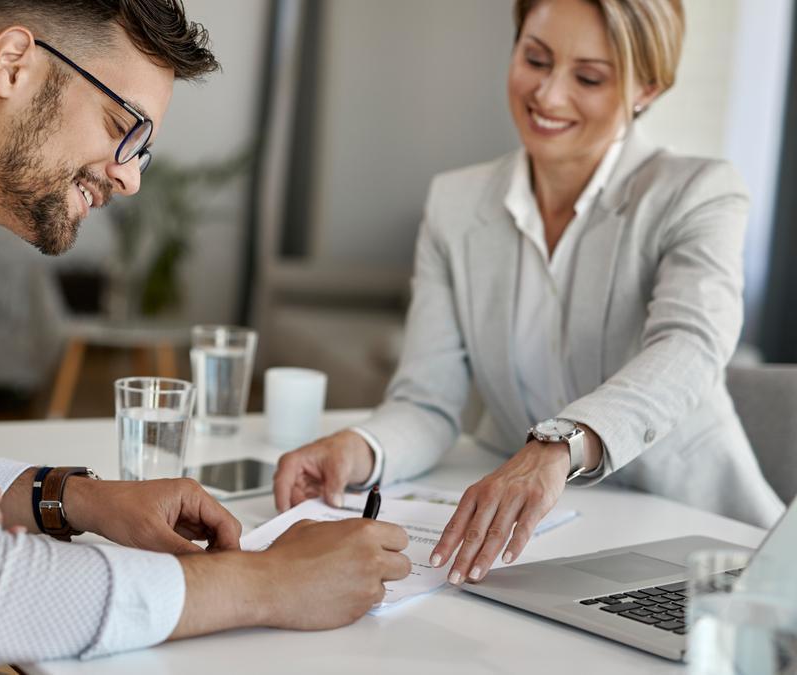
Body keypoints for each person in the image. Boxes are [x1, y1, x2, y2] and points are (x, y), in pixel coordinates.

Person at [0, 0, 412, 668]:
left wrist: (75, 496)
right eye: (123, 124)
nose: (130, 176)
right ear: (14, 62)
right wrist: (269, 584)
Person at [274, 0, 783, 592]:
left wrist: (559, 445)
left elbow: (691, 344)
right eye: (535, 59)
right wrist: (359, 447)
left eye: (588, 77)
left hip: (701, 547)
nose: (548, 94)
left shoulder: (698, 192)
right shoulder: (455, 204)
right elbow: (428, 401)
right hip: (537, 544)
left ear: (648, 87)